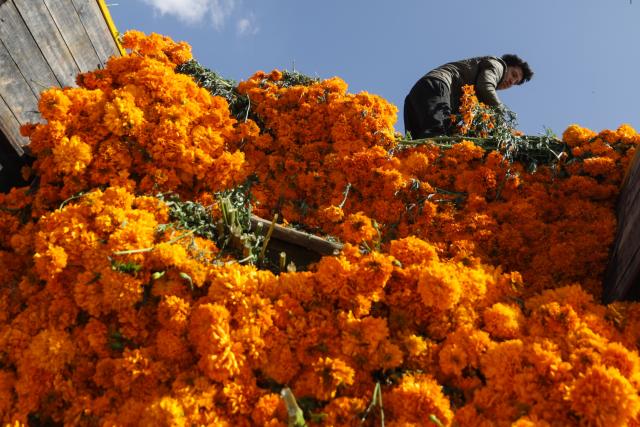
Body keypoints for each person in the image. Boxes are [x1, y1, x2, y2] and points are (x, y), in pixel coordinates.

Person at [403, 54, 533, 139]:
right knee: (437, 137)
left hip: (418, 95)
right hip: (436, 87)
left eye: (515, 83)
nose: (511, 82)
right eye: (513, 75)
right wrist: (502, 116)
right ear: (507, 66)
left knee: (417, 146)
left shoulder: (479, 96)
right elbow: (485, 86)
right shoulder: (498, 65)